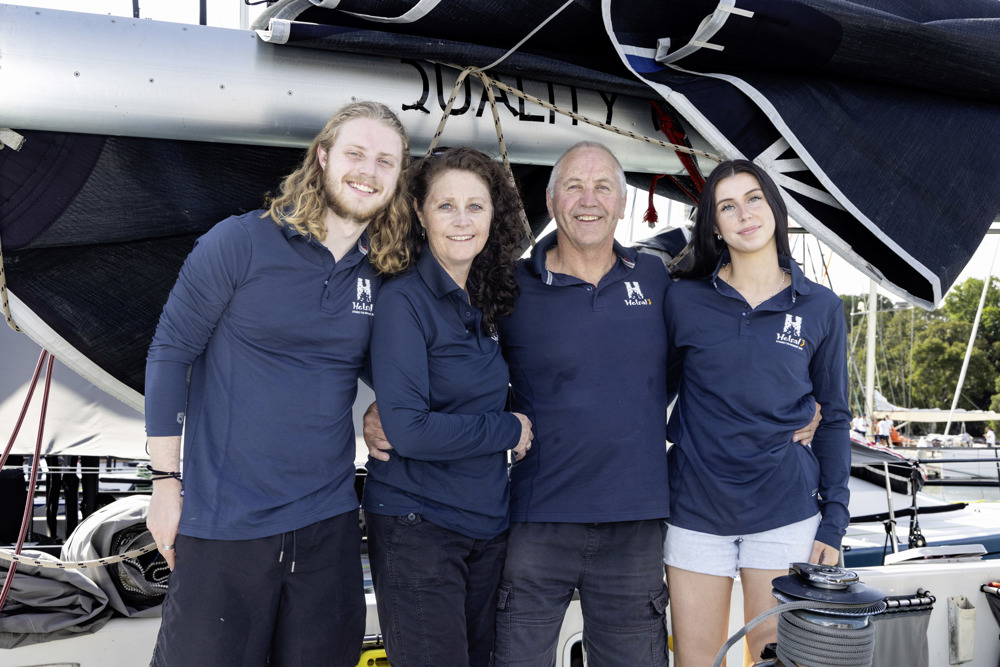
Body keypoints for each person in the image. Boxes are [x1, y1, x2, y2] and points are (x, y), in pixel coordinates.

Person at [364, 143, 820, 666]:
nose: (589, 200)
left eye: (603, 187)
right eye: (574, 187)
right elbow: (453, 359)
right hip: (535, 522)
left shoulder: (657, 281)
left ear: (623, 203)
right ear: (550, 200)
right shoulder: (509, 287)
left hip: (635, 525)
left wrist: (801, 403)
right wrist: (386, 406)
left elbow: (719, 347)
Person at [144, 101, 412, 667]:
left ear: (397, 177)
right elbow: (170, 352)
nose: (368, 171)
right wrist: (165, 481)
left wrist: (387, 407)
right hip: (226, 525)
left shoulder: (382, 271)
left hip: (328, 527)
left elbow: (392, 369)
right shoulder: (239, 241)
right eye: (356, 154)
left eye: (385, 161)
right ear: (323, 157)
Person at [663, 159, 851, 667]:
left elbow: (834, 418)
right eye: (727, 207)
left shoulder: (821, 307)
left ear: (775, 208)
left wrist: (834, 521)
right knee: (697, 662)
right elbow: (650, 393)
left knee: (774, 661)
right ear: (714, 227)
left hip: (785, 512)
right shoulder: (682, 300)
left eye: (754, 199)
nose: (744, 214)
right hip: (696, 510)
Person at [363, 147, 533, 666]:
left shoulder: (489, 294)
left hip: (487, 523)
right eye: (446, 206)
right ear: (419, 213)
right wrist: (508, 429)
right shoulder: (404, 300)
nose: (462, 221)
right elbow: (410, 432)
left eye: (475, 206)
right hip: (419, 524)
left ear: (494, 215)